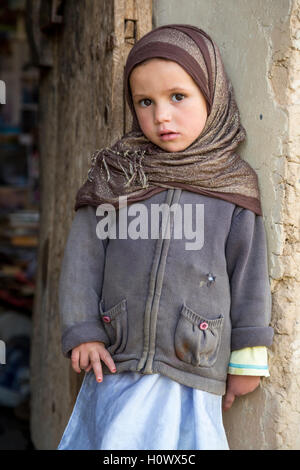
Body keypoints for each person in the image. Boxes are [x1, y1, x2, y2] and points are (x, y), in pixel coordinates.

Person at [57, 24, 273, 450]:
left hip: (194, 362)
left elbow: (249, 272)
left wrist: (248, 357)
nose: (161, 116)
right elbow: (83, 257)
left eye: (178, 97)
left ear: (213, 95)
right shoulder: (118, 175)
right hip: (118, 362)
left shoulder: (233, 184)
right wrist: (82, 329)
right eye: (145, 102)